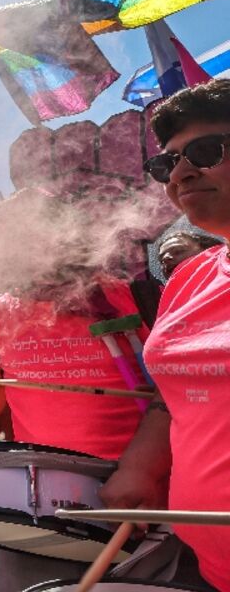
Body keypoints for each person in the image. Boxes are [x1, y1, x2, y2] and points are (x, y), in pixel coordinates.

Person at [0, 189, 156, 590]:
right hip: (42, 508)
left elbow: (174, 393)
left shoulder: (134, 297)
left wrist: (148, 469)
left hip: (144, 502)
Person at [101, 79, 230, 589]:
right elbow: (175, 393)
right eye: (165, 163)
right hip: (211, 565)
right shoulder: (190, 279)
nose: (179, 172)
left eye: (205, 150)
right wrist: (141, 467)